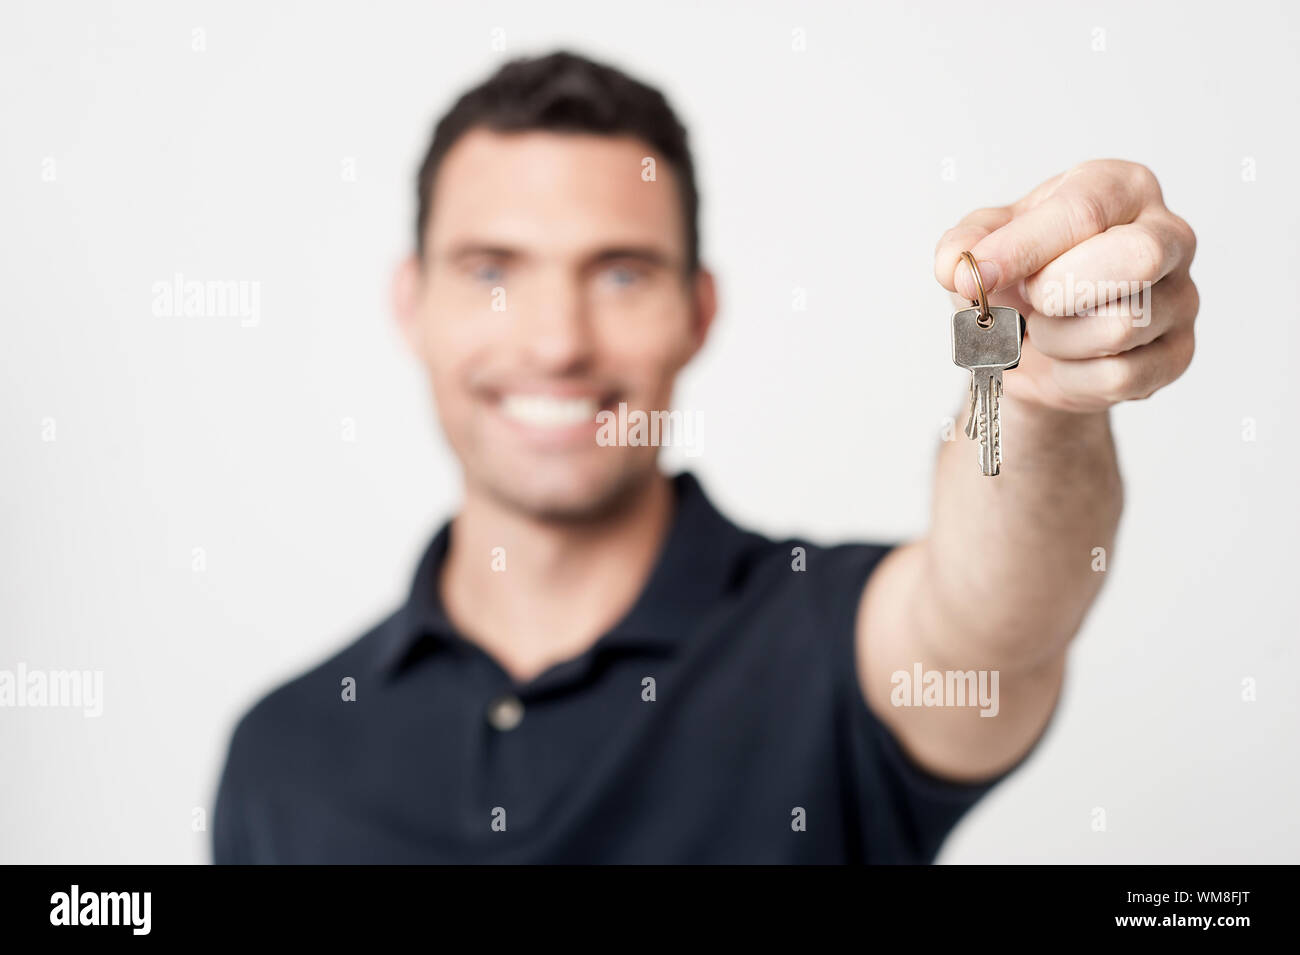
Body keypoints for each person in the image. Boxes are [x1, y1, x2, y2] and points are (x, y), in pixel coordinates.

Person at [212, 50, 1198, 863]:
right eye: (490, 271)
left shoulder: (830, 647)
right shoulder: (283, 757)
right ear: (411, 304)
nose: (556, 342)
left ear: (698, 311)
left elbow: (993, 623)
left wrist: (1036, 395)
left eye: (620, 273)